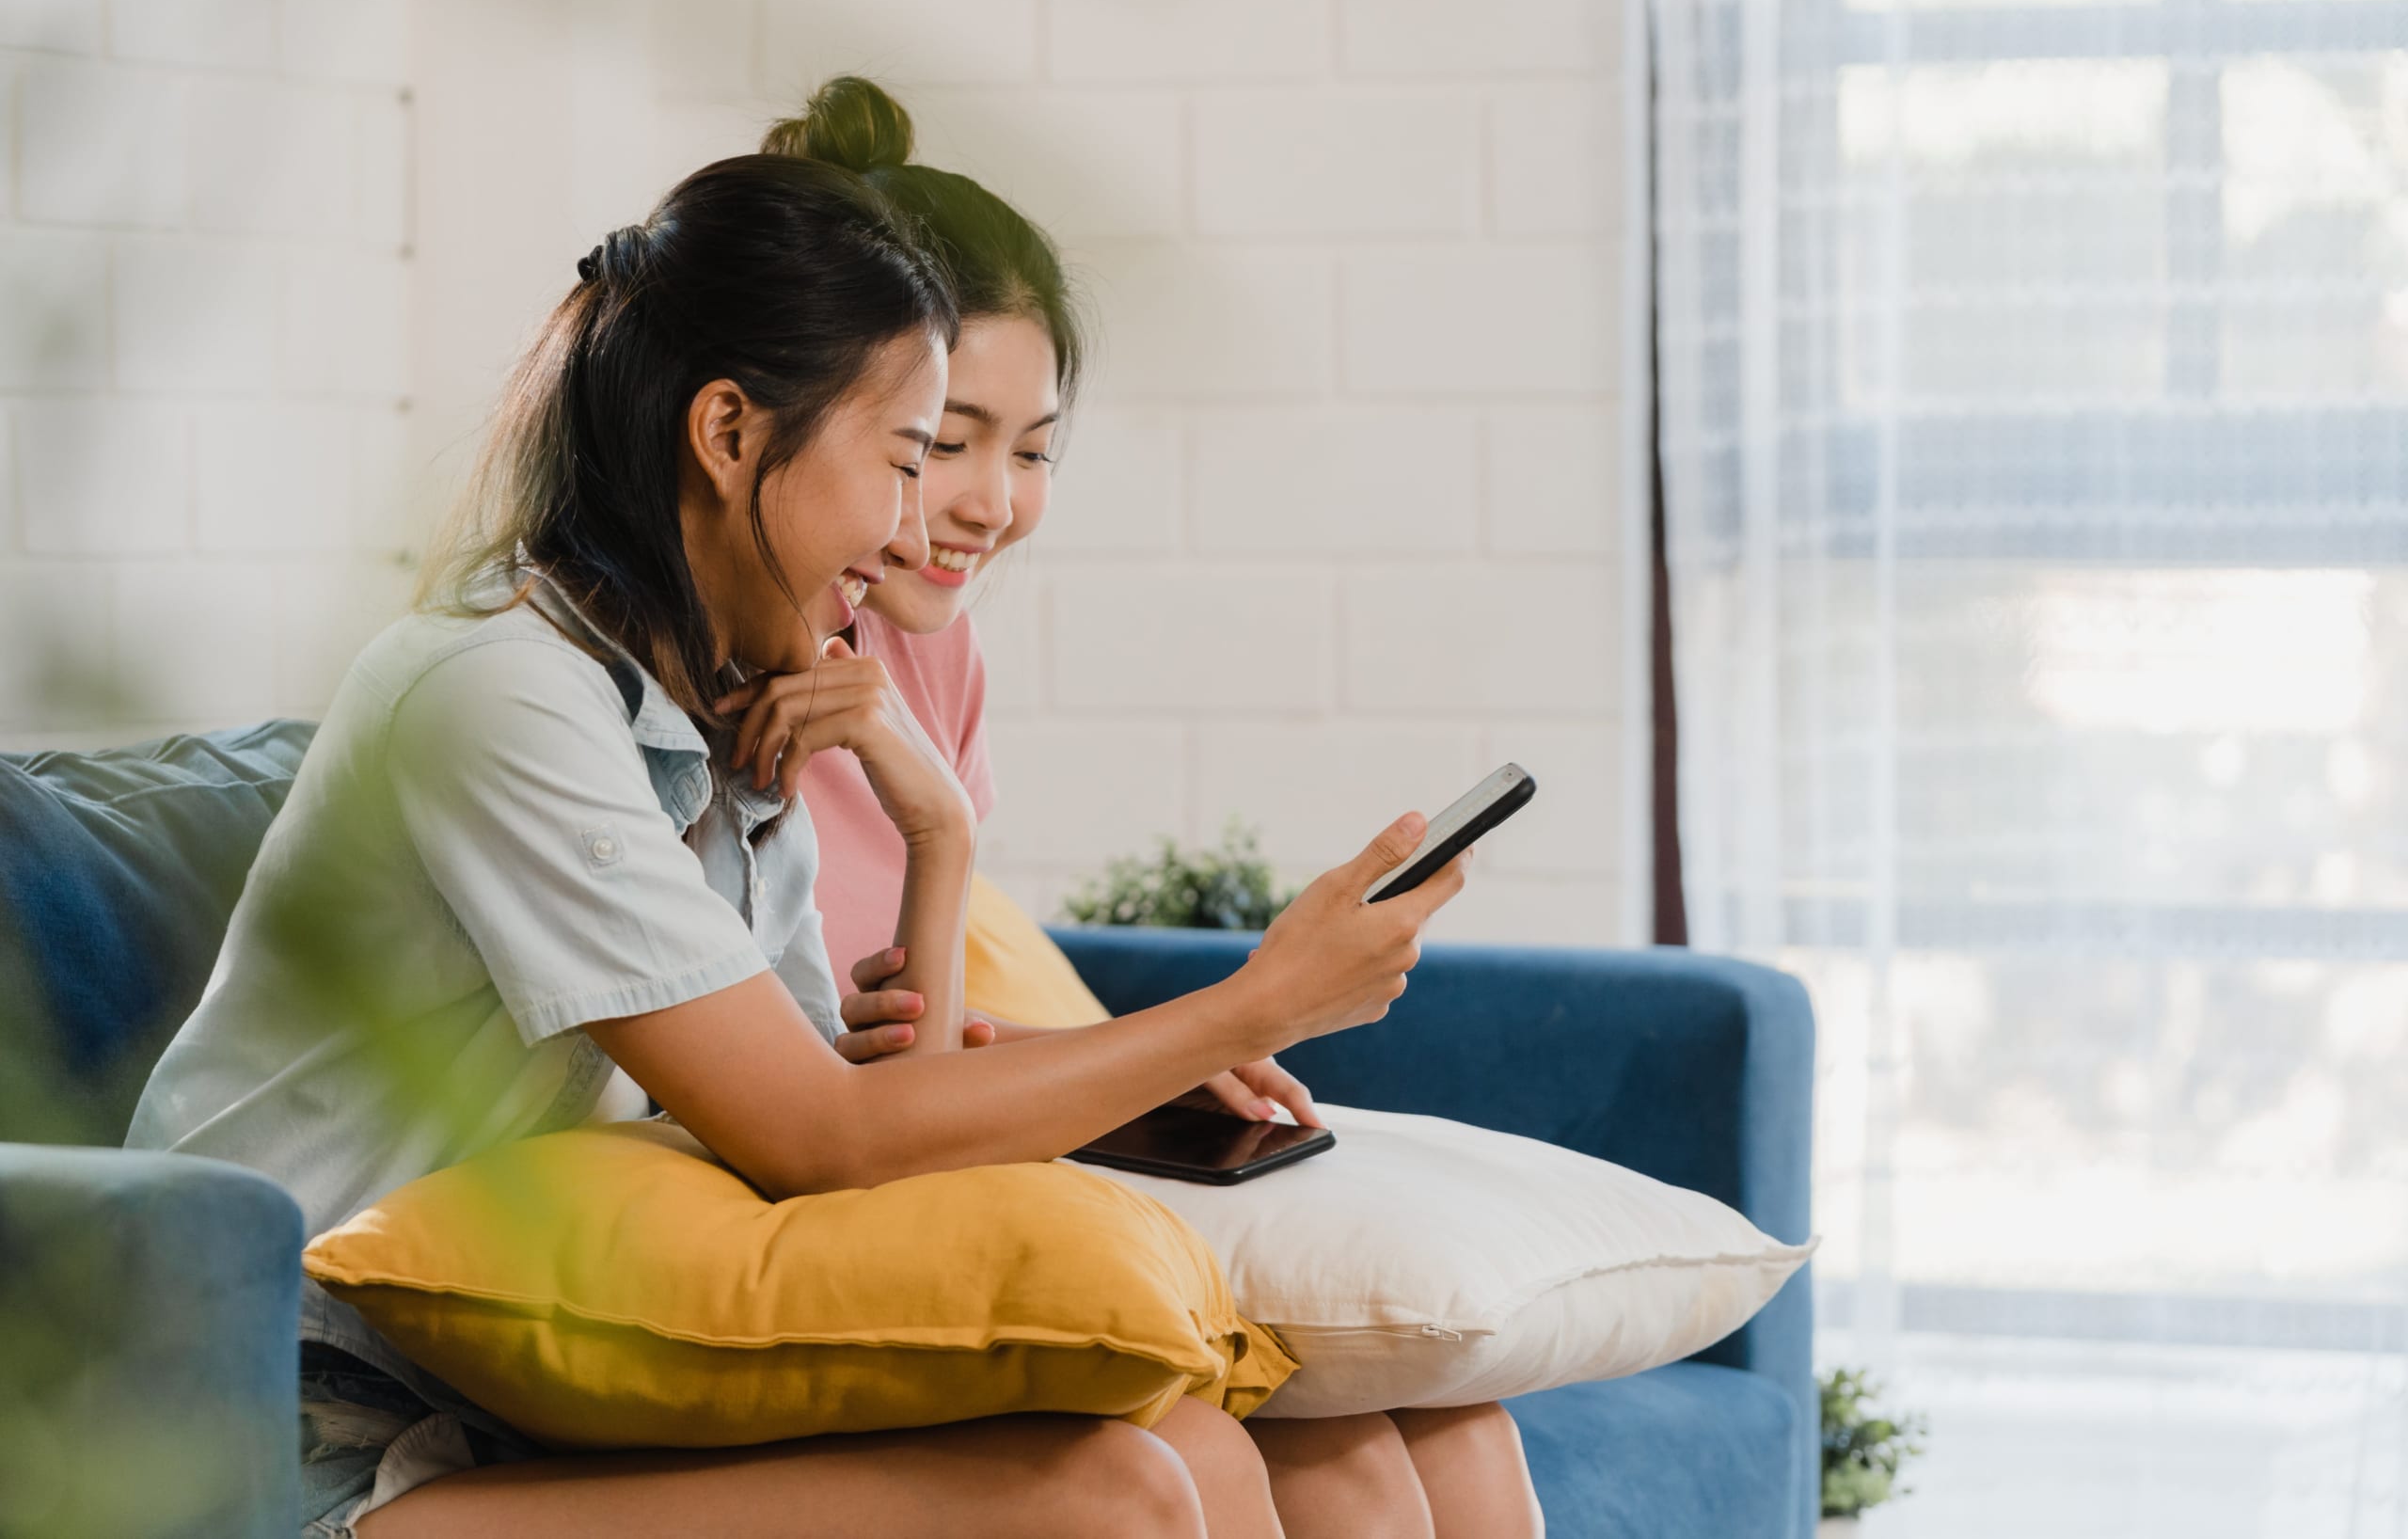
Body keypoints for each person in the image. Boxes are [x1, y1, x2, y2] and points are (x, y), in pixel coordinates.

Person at [125, 138, 1467, 1539]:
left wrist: (940, 834)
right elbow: (826, 1139)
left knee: (1203, 1446)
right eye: (907, 458)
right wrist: (1247, 1008)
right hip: (273, 1432)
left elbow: (856, 1141)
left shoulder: (726, 729)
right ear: (727, 434)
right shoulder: (496, 697)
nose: (906, 530)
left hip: (509, 1391)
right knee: (1109, 1498)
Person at [773, 78, 1545, 1539]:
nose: (992, 500)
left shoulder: (928, 659)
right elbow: (823, 1113)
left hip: (909, 1179)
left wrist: (1117, 1075)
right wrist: (1240, 1012)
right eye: (943, 442)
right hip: (791, 1222)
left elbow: (913, 1055)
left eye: (1036, 446)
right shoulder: (729, 680)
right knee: (1256, 1450)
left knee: (1430, 1428)